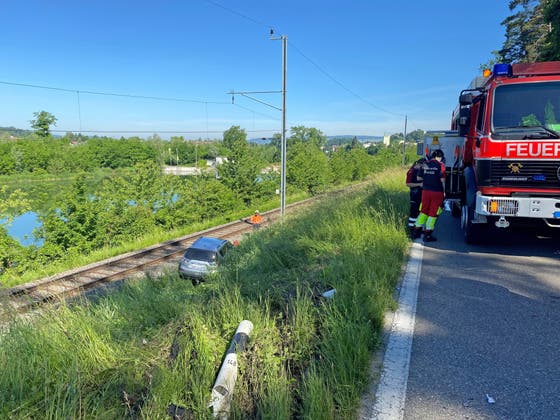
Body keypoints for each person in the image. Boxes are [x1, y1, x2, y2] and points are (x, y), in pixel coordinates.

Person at [412, 150, 445, 242]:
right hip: (437, 192)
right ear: (439, 157)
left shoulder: (425, 164)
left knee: (424, 211)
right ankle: (428, 234)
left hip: (425, 191)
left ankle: (416, 232)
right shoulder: (440, 165)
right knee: (433, 212)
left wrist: (427, 179)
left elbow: (419, 178)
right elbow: (442, 180)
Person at [405, 158, 425, 235]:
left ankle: (418, 229)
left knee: (420, 212)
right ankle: (411, 229)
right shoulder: (411, 171)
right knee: (414, 211)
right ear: (419, 164)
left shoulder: (420, 171)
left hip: (421, 193)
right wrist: (419, 184)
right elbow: (408, 183)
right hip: (415, 193)